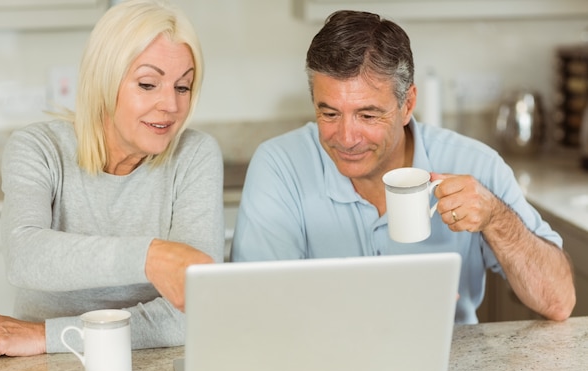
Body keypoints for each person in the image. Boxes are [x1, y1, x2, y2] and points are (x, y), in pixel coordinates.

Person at [231, 10, 575, 324]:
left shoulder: (475, 164)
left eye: (368, 115)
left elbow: (559, 302)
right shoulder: (279, 166)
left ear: (407, 104)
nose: (346, 137)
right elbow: (255, 313)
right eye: (329, 113)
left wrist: (497, 219)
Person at [0, 0, 223, 360]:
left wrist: (48, 334)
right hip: (45, 366)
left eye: (183, 87)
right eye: (148, 84)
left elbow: (191, 313)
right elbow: (24, 256)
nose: (171, 106)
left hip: (137, 359)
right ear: (104, 80)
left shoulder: (195, 154)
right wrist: (150, 256)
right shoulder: (39, 147)